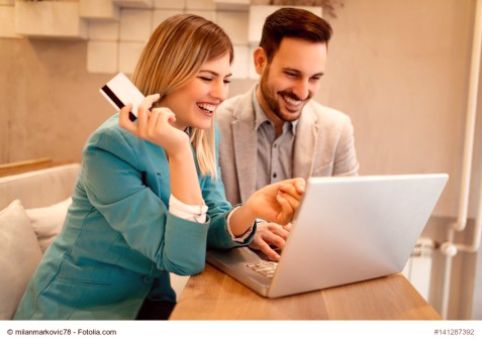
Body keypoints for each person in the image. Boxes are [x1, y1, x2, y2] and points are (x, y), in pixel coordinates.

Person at [14, 14, 304, 320]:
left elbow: (212, 217)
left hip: (148, 303)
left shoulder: (202, 131)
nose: (221, 93)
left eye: (226, 79)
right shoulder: (110, 147)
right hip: (75, 312)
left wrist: (250, 212)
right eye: (207, 78)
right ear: (170, 74)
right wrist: (179, 151)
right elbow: (183, 259)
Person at [217, 8, 359, 261]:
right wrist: (250, 228)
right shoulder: (217, 123)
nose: (303, 92)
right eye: (292, 74)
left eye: (314, 78)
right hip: (231, 272)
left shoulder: (337, 129)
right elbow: (205, 214)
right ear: (261, 61)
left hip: (305, 266)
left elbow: (349, 214)